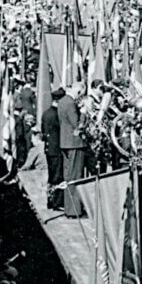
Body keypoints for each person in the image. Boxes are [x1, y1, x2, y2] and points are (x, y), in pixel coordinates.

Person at [58, 82, 87, 218]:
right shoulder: (70, 103)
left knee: (69, 176)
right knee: (75, 177)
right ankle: (74, 210)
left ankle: (70, 208)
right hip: (74, 143)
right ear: (79, 91)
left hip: (65, 142)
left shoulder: (62, 101)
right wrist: (83, 113)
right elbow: (77, 125)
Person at [42, 88, 64, 210]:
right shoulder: (57, 115)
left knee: (51, 176)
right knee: (58, 176)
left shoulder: (46, 113)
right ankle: (57, 202)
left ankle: (50, 201)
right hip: (57, 149)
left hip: (48, 148)